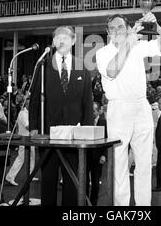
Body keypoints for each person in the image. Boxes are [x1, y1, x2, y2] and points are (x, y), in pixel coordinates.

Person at [95, 12, 161, 206]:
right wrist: (129, 41)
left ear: (127, 28)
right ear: (107, 32)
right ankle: (121, 208)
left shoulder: (137, 46)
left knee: (144, 163)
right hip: (118, 108)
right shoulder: (102, 52)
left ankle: (143, 208)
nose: (116, 31)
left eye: (120, 26)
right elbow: (112, 71)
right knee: (120, 163)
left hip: (141, 105)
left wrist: (155, 25)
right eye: (112, 28)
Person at [29, 26, 93, 206]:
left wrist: (87, 132)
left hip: (74, 135)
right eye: (58, 37)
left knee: (72, 182)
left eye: (66, 37)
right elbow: (34, 100)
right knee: (48, 180)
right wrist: (34, 126)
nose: (62, 40)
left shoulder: (82, 66)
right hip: (47, 134)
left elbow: (87, 103)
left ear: (73, 41)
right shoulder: (43, 65)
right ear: (53, 42)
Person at [6, 97, 37, 186]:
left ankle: (30, 175)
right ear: (25, 104)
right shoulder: (22, 114)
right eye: (28, 103)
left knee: (32, 157)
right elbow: (27, 126)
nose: (29, 105)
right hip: (24, 139)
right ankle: (10, 176)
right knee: (21, 158)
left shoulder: (31, 113)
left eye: (30, 104)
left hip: (30, 138)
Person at [86, 102, 107, 205]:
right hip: (86, 157)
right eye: (91, 110)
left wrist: (104, 155)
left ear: (99, 111)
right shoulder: (86, 121)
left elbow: (107, 141)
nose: (92, 113)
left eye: (94, 110)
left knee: (95, 183)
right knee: (84, 182)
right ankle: (85, 202)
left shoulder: (104, 122)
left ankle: (93, 203)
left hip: (98, 157)